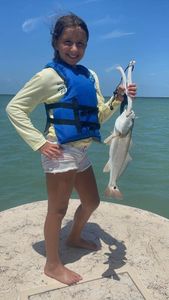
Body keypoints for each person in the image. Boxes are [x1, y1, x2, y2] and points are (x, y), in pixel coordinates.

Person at [6, 13, 137, 285]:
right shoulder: (48, 76)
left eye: (81, 44)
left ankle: (74, 237)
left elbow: (97, 116)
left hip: (82, 151)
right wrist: (40, 143)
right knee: (58, 209)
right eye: (68, 42)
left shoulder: (90, 75)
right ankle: (52, 264)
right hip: (60, 151)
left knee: (92, 201)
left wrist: (117, 98)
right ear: (56, 42)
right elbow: (14, 108)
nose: (74, 49)